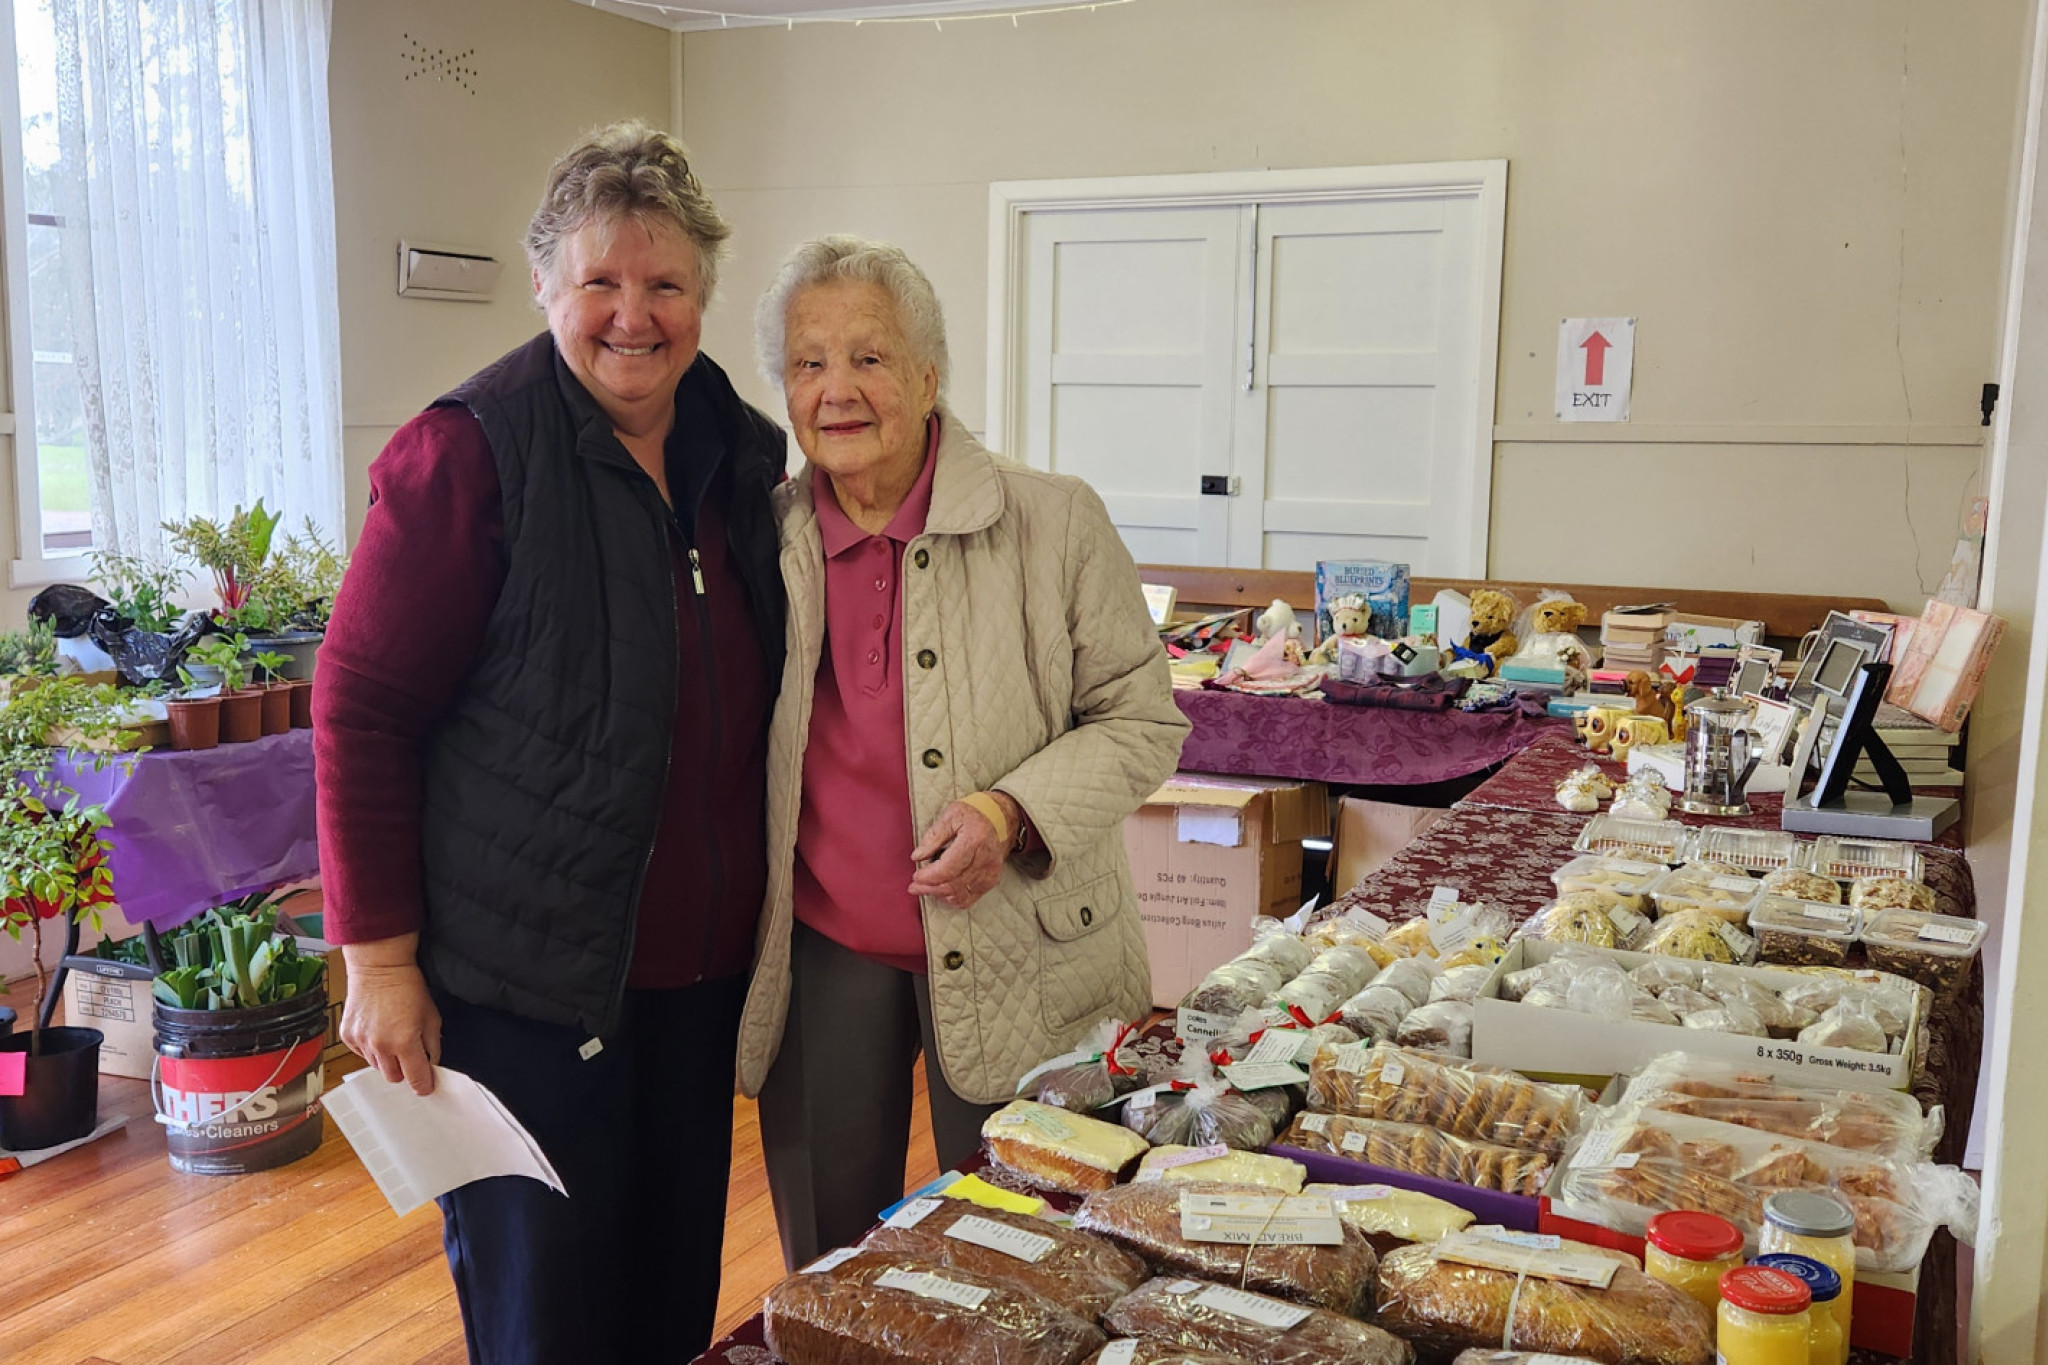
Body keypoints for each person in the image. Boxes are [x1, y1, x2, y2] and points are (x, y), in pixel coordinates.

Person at [312, 122, 786, 1364]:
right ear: (543, 284)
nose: (635, 316)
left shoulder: (734, 450)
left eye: (666, 284)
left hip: (693, 984)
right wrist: (380, 962)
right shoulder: (468, 454)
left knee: (671, 1290)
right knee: (547, 1317)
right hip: (523, 995)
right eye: (601, 283)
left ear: (703, 295)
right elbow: (360, 710)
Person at [734, 236, 1189, 1269]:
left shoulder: (1051, 518)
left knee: (1022, 1252)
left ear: (929, 376)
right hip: (823, 948)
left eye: (870, 358)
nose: (836, 390)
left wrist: (1006, 812)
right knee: (829, 1260)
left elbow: (1141, 717)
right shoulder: (761, 537)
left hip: (1025, 943)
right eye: (807, 363)